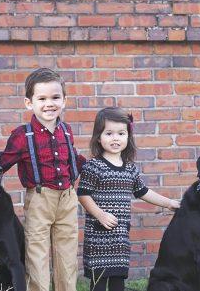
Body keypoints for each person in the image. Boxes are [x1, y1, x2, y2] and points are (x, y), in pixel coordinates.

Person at [0, 68, 86, 291]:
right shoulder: (22, 135)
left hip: (68, 198)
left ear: (64, 100)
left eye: (55, 98)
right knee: (37, 254)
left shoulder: (66, 130)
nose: (50, 104)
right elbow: (1, 164)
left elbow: (74, 159)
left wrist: (97, 166)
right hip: (40, 199)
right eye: (42, 98)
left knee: (67, 254)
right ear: (29, 103)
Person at [77, 107, 180, 291]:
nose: (115, 138)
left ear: (128, 137)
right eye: (109, 133)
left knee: (118, 283)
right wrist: (100, 214)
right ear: (98, 137)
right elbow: (83, 194)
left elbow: (144, 192)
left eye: (121, 133)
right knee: (98, 283)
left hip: (120, 239)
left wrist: (169, 203)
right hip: (99, 238)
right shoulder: (94, 166)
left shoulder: (130, 169)